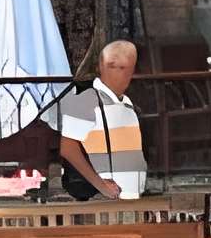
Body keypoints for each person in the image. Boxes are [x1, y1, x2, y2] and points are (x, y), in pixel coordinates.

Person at [55, 40, 147, 199]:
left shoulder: (127, 103)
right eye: (113, 66)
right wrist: (100, 185)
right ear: (101, 68)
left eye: (125, 68)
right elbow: (68, 147)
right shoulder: (88, 100)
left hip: (128, 195)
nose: (121, 74)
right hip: (99, 194)